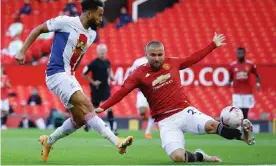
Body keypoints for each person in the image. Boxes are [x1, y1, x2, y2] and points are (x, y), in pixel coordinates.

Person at [95, 33, 256, 163]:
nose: (157, 58)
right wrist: (104, 105)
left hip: (185, 111)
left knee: (212, 125)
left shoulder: (172, 63)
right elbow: (123, 91)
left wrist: (212, 45)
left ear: (164, 53)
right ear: (146, 55)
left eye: (160, 54)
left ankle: (242, 135)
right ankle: (201, 156)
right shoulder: (139, 74)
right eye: (153, 55)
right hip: (165, 121)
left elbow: (193, 58)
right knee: (178, 157)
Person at [15, 0, 133, 162]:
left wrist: (72, 76)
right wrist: (22, 51)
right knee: (88, 106)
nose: (101, 19)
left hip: (69, 75)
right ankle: (117, 142)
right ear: (89, 14)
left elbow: (79, 54)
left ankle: (48, 141)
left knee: (79, 120)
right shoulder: (65, 22)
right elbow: (39, 29)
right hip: (56, 74)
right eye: (99, 15)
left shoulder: (91, 35)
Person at [82, 43, 117, 135]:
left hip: (105, 88)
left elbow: (109, 70)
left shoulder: (107, 62)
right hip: (96, 89)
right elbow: (84, 74)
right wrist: (93, 82)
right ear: (98, 52)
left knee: (109, 107)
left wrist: (112, 76)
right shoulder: (94, 63)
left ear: (106, 52)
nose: (102, 53)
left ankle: (112, 129)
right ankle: (86, 124)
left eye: (104, 51)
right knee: (94, 109)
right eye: (101, 51)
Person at [228, 47, 261, 119]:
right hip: (237, 92)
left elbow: (257, 75)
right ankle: (239, 128)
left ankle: (245, 127)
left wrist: (258, 84)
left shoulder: (250, 64)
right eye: (238, 53)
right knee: (238, 112)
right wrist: (228, 82)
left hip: (247, 92)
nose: (240, 54)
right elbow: (230, 78)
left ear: (245, 53)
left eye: (242, 53)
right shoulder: (232, 65)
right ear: (236, 54)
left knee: (245, 112)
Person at [129, 55, 154, 139]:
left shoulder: (156, 61)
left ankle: (148, 132)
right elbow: (131, 72)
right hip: (142, 91)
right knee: (142, 112)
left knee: (153, 112)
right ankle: (146, 119)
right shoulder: (138, 61)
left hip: (154, 90)